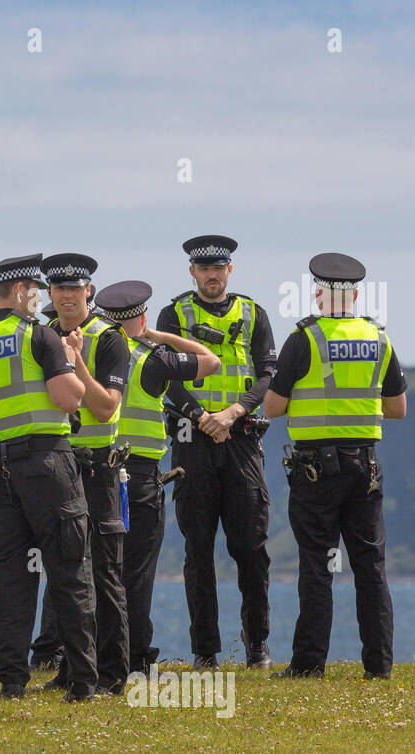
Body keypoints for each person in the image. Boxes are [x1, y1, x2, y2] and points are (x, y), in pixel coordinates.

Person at [0, 253, 98, 702]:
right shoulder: (39, 335)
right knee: (70, 570)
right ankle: (83, 683)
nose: (40, 298)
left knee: (12, 578)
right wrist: (72, 361)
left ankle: (12, 681)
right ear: (19, 292)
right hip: (48, 466)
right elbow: (69, 400)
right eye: (36, 291)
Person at [262, 254, 406, 679]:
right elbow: (397, 408)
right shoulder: (379, 338)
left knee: (318, 565)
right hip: (366, 467)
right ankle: (378, 667)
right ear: (357, 294)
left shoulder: (304, 338)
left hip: (316, 471)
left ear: (319, 294)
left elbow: (272, 407)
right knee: (370, 567)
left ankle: (309, 665)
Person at [158, 235, 277, 669]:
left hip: (242, 437)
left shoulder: (254, 313)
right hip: (192, 439)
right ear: (192, 272)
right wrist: (203, 415)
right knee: (198, 549)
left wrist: (233, 413)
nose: (211, 274)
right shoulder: (174, 314)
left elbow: (268, 373)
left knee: (251, 546)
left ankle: (257, 645)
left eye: (219, 267)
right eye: (203, 268)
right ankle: (205, 651)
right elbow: (164, 374)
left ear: (230, 271)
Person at [98, 280, 218, 677]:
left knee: (98, 569)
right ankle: (132, 660)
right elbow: (210, 361)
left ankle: (93, 658)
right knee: (137, 573)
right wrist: (160, 336)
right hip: (142, 476)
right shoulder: (154, 358)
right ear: (142, 316)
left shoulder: (93, 352)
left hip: (98, 471)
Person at [32, 253, 132, 696]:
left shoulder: (109, 338)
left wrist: (77, 364)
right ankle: (72, 669)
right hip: (58, 466)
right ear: (50, 294)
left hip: (98, 469)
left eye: (76, 288)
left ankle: (113, 673)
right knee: (67, 573)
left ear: (89, 290)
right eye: (60, 289)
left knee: (105, 574)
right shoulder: (42, 336)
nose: (68, 295)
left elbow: (107, 406)